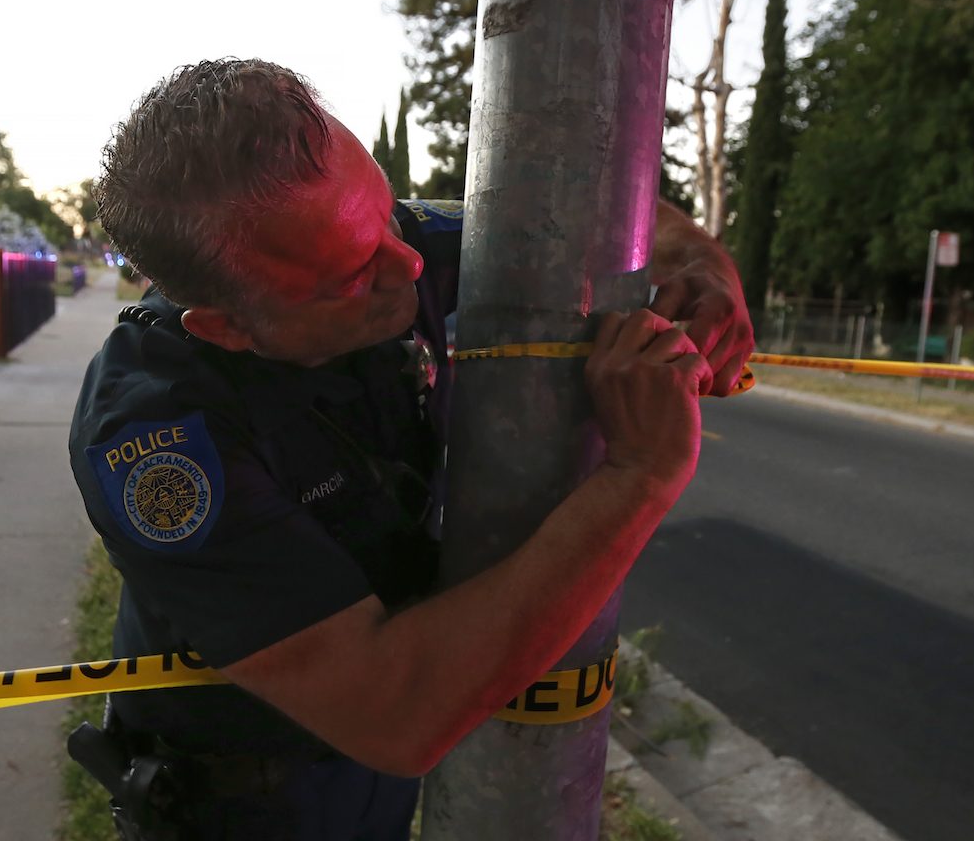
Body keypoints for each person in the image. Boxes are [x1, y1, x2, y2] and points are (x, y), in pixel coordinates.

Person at [68, 57, 754, 840]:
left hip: (371, 789)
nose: (412, 266)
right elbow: (395, 713)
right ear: (226, 327)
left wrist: (702, 264)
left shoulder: (374, 246)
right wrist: (641, 476)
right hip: (242, 805)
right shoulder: (158, 441)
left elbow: (594, 215)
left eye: (387, 215)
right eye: (351, 278)